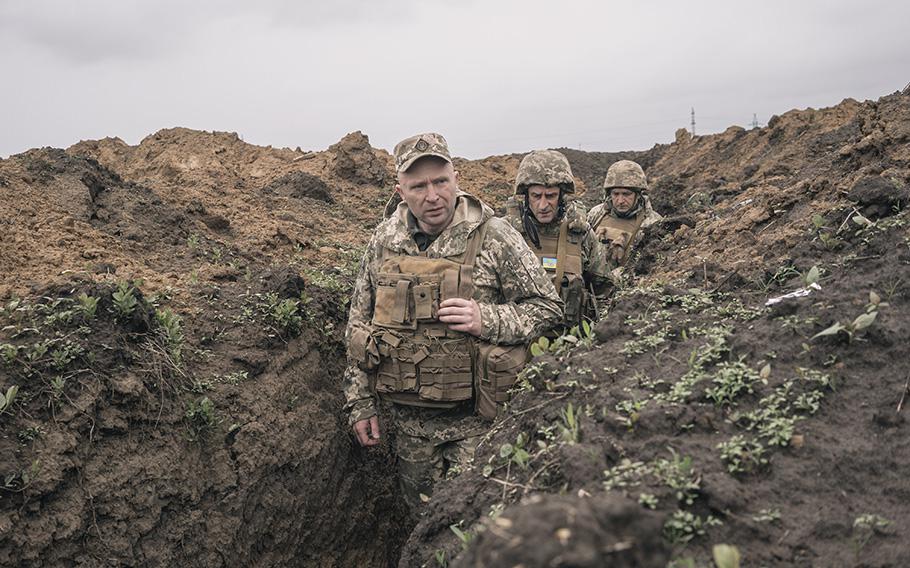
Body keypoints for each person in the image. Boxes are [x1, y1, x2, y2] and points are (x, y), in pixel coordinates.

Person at [342, 133, 562, 508]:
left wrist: (486, 318)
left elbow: (548, 310)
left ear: (456, 178)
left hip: (480, 426)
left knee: (474, 525)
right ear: (400, 191)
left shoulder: (494, 236)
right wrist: (359, 402)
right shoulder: (384, 241)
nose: (432, 196)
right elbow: (359, 325)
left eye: (441, 181)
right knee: (424, 524)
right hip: (410, 428)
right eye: (418, 186)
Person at [505, 150, 613, 327]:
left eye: (551, 196)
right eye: (536, 196)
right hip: (516, 344)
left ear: (562, 196)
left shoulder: (581, 234)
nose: (543, 205)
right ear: (525, 196)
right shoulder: (506, 234)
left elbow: (604, 292)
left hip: (569, 342)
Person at [587, 160, 663, 266]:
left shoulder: (652, 223)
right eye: (616, 194)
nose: (620, 200)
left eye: (626, 194)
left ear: (638, 195)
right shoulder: (596, 214)